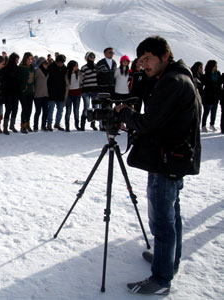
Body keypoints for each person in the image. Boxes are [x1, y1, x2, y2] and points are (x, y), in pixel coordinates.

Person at [115, 35, 201, 296]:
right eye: (141, 61)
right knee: (171, 214)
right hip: (171, 158)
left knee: (162, 221)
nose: (144, 66)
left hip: (168, 160)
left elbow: (149, 122)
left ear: (165, 55)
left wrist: (125, 114)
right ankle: (168, 261)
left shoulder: (172, 81)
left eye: (148, 59)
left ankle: (161, 278)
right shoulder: (178, 76)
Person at [47, 54, 68, 131]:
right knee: (51, 109)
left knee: (60, 110)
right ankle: (49, 124)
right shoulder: (50, 67)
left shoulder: (64, 69)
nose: (60, 64)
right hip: (52, 92)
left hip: (61, 92)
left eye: (62, 62)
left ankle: (57, 123)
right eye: (59, 62)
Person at [80, 51, 99, 131]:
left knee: (95, 107)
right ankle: (83, 124)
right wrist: (81, 90)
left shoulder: (96, 67)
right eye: (91, 57)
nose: (92, 58)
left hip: (95, 90)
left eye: (93, 57)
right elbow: (81, 80)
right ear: (87, 58)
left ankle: (93, 124)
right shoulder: (84, 68)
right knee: (86, 107)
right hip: (86, 90)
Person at [201, 60, 221, 132]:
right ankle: (203, 125)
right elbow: (203, 83)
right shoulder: (207, 74)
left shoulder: (217, 74)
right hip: (208, 96)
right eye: (215, 66)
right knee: (206, 112)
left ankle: (212, 124)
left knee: (214, 111)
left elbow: (219, 83)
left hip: (215, 96)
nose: (216, 67)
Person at [4, 52, 20, 134]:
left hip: (16, 92)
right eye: (16, 60)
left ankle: (12, 125)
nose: (17, 61)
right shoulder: (6, 68)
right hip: (8, 92)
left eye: (18, 60)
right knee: (8, 109)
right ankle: (5, 127)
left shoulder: (18, 68)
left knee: (15, 109)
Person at [65, 60, 82, 131]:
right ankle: (67, 125)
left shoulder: (79, 73)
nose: (77, 67)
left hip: (77, 94)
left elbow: (81, 81)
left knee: (76, 110)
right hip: (69, 94)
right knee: (68, 110)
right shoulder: (67, 74)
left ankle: (77, 125)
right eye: (75, 65)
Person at [33, 57, 49, 131]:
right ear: (41, 64)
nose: (47, 65)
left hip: (45, 94)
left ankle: (43, 125)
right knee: (38, 111)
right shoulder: (37, 71)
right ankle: (35, 126)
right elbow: (33, 81)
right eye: (45, 63)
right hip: (38, 95)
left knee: (45, 111)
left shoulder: (47, 71)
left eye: (47, 63)